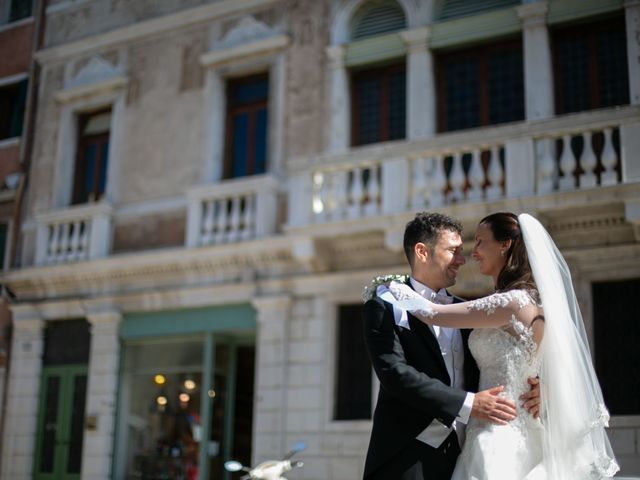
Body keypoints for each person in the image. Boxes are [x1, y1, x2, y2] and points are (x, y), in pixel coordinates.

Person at [380, 212, 619, 479]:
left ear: (505, 245)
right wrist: (546, 387)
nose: (474, 253)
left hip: (498, 434)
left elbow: (432, 313)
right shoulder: (530, 303)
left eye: (480, 242)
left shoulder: (510, 303)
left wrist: (387, 288)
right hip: (517, 430)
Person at [362, 212, 541, 480]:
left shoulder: (474, 312)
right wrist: (468, 403)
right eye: (453, 251)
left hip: (473, 450)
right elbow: (393, 373)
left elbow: (519, 352)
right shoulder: (384, 304)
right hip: (407, 457)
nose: (462, 259)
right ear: (422, 252)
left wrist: (541, 386)